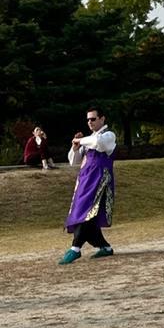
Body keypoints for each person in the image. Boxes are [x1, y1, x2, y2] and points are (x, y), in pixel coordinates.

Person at [59, 107, 116, 265]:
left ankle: (75, 248)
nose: (90, 122)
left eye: (93, 119)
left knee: (87, 213)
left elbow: (99, 143)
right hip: (84, 181)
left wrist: (80, 140)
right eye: (88, 120)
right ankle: (105, 247)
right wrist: (75, 148)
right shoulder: (88, 139)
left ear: (102, 119)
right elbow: (74, 161)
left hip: (99, 180)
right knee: (83, 214)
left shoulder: (109, 135)